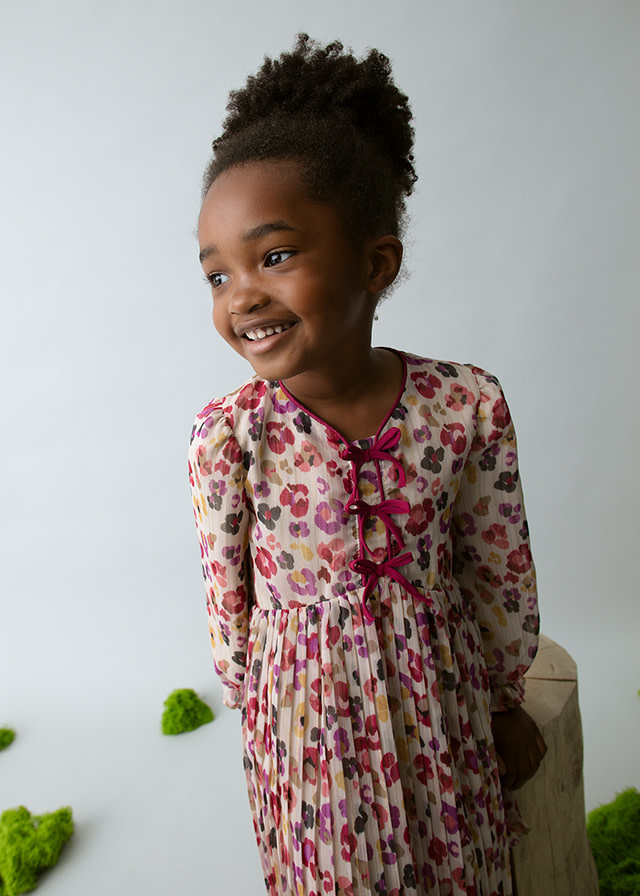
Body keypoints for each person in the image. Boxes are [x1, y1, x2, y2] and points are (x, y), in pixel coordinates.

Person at [188, 34, 546, 896]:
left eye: (274, 256)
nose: (241, 295)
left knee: (461, 864)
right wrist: (256, 708)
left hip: (442, 705)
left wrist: (502, 698)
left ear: (375, 264)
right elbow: (226, 596)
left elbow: (496, 567)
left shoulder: (464, 406)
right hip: (308, 731)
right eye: (216, 275)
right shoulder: (231, 437)